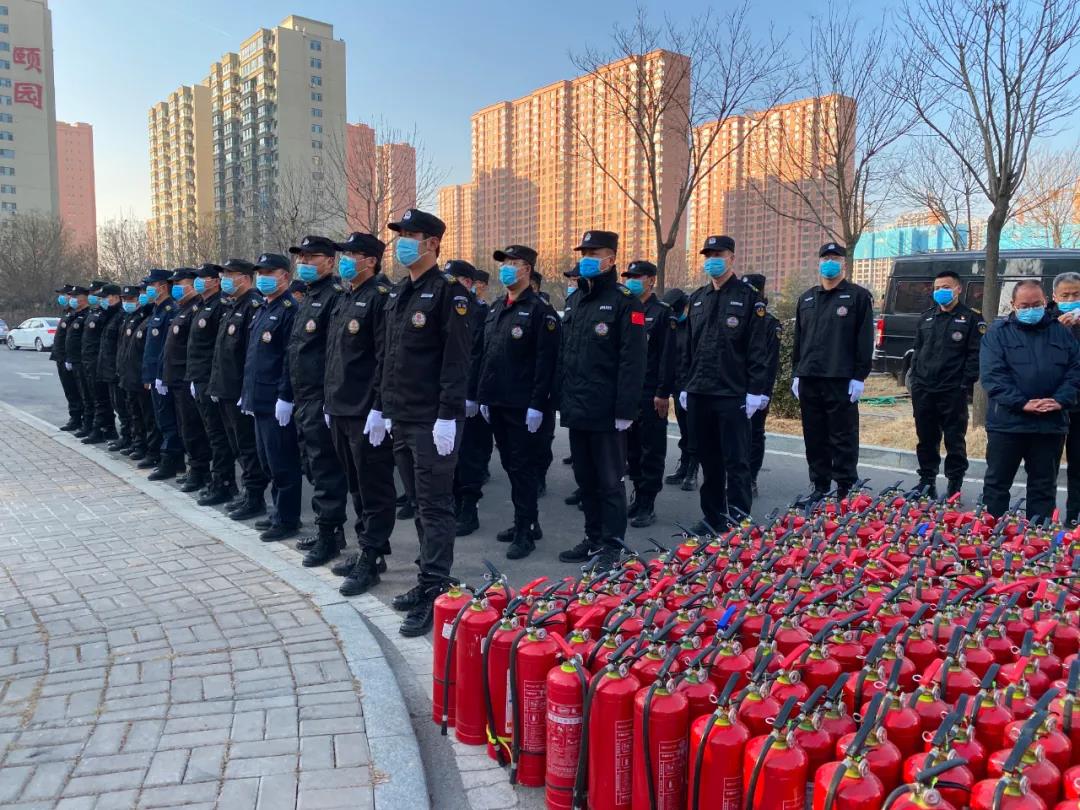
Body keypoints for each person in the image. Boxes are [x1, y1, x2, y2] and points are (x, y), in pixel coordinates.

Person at [371, 208, 471, 636]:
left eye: (411, 235)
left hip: (432, 421)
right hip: (402, 416)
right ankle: (427, 575)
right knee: (417, 503)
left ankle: (436, 588)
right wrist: (380, 407)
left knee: (435, 506)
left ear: (432, 243)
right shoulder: (399, 293)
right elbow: (388, 357)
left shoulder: (450, 294)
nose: (402, 242)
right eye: (401, 235)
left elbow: (456, 362)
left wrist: (447, 416)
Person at [556, 230, 646, 568]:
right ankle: (593, 538)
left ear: (611, 259)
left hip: (607, 410)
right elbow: (566, 354)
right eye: (584, 253)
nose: (587, 259)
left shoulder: (625, 301)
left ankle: (612, 545)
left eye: (594, 253)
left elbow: (633, 360)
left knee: (610, 482)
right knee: (586, 480)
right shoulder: (575, 300)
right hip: (577, 407)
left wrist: (625, 409)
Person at [475, 244, 560, 559]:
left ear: (527, 269)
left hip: (523, 406)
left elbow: (546, 362)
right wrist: (483, 396)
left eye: (513, 262)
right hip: (497, 400)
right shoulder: (498, 307)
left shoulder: (540, 311)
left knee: (523, 468)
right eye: (504, 263)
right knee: (511, 465)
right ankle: (527, 520)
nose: (506, 268)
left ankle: (525, 531)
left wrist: (538, 404)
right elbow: (489, 354)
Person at [324, 232, 396, 595]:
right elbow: (335, 356)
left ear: (370, 260)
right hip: (340, 406)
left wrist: (379, 408)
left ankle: (372, 555)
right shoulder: (345, 297)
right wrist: (328, 401)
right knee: (355, 484)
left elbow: (386, 358)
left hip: (365, 410)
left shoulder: (381, 298)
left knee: (374, 486)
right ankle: (366, 547)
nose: (345, 260)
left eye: (352, 254)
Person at [679, 236, 768, 531]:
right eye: (708, 255)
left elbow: (757, 349)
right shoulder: (698, 298)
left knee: (737, 461)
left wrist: (755, 391)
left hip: (732, 393)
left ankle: (738, 520)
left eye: (718, 254)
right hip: (700, 391)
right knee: (709, 460)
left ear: (732, 258)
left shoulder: (749, 298)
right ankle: (713, 517)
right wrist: (685, 384)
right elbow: (688, 347)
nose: (712, 260)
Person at [980, 278, 1080, 521]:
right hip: (1007, 423)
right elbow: (993, 376)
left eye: (1036, 304)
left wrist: (1060, 400)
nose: (1031, 310)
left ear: (1045, 302)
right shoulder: (998, 333)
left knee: (1043, 488)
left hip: (1049, 423)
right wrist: (1021, 403)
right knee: (997, 484)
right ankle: (991, 534)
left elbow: (1075, 371)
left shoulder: (1062, 332)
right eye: (1024, 306)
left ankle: (1037, 537)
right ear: (1013, 304)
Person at [282, 235, 348, 566]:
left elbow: (334, 354)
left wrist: (327, 399)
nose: (304, 263)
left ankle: (330, 535)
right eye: (302, 258)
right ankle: (327, 528)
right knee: (311, 464)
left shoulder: (334, 297)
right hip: (303, 395)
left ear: (330, 262)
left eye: (312, 258)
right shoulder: (309, 296)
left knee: (326, 468)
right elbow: (297, 349)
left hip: (320, 397)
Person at [791, 243, 874, 501]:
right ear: (819, 263)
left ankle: (845, 487)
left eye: (834, 258)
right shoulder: (807, 298)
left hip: (840, 378)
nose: (829, 262)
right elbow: (799, 340)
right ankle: (819, 486)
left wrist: (859, 376)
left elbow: (865, 339)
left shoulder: (858, 297)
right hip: (810, 377)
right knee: (814, 436)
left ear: (844, 264)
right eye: (825, 258)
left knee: (843, 436)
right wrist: (796, 373)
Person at [241, 253, 302, 541]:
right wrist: (246, 394)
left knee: (282, 463)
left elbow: (290, 358)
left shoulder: (290, 310)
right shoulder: (264, 309)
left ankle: (288, 519)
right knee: (268, 461)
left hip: (276, 400)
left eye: (269, 272)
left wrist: (285, 396)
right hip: (259, 398)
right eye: (260, 272)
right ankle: (278, 511)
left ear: (285, 276)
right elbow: (255, 357)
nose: (263, 277)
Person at [909, 270, 984, 499]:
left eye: (946, 287)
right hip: (924, 388)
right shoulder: (926, 317)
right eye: (937, 288)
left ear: (958, 289)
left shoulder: (971, 319)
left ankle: (954, 485)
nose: (941, 291)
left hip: (952, 390)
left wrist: (964, 384)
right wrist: (914, 380)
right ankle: (926, 482)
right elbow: (918, 350)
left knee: (954, 439)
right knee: (926, 438)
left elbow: (975, 355)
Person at [210, 259, 270, 521]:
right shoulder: (232, 305)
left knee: (247, 447)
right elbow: (222, 351)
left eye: (230, 275)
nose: (225, 280)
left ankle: (255, 497)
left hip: (239, 392)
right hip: (225, 388)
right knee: (236, 446)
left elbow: (250, 355)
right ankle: (247, 493)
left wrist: (246, 392)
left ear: (245, 278)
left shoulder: (252, 306)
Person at [621, 260, 671, 528]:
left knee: (651, 449)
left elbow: (667, 357)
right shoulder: (626, 309)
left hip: (651, 393)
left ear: (651, 280)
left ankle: (648, 503)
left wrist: (663, 392)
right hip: (629, 392)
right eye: (629, 276)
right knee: (632, 450)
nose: (631, 281)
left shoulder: (661, 313)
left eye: (637, 277)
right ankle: (638, 496)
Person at [185, 263, 235, 506]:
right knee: (210, 432)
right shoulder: (202, 306)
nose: (198, 281)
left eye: (203, 277)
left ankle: (223, 483)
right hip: (199, 378)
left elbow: (218, 349)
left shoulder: (220, 306)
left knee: (218, 436)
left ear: (216, 281)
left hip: (210, 379)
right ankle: (218, 480)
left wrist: (211, 380)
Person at [162, 268, 212, 493]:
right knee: (185, 428)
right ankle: (195, 469)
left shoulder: (195, 308)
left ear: (192, 284)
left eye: (179, 283)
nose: (175, 287)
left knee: (193, 429)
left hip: (187, 377)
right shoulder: (183, 308)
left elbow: (198, 348)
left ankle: (201, 471)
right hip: (177, 377)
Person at [454, 259, 494, 537]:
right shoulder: (445, 309)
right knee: (450, 457)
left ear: (468, 283)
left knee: (470, 456)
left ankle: (469, 509)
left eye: (454, 280)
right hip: (447, 396)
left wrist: (472, 395)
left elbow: (480, 355)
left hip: (471, 397)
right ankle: (454, 504)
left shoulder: (480, 313)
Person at [141, 268, 185, 481]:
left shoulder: (171, 310)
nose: (148, 289)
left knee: (168, 422)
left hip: (164, 376)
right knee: (161, 419)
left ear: (162, 286)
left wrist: (160, 375)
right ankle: (175, 461)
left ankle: (170, 462)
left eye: (151, 285)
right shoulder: (156, 310)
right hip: (154, 376)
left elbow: (167, 349)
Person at [742, 273, 782, 498]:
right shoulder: (738, 316)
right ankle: (735, 476)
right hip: (734, 387)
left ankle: (751, 478)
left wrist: (764, 392)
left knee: (755, 434)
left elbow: (771, 361)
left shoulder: (769, 322)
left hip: (757, 389)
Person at [658, 287, 697, 491]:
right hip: (675, 385)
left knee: (694, 429)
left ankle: (692, 470)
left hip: (691, 387)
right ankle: (684, 465)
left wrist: (690, 386)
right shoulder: (670, 326)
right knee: (684, 429)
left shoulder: (693, 325)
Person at [117, 285, 158, 464]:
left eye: (140, 295)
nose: (128, 302)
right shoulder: (132, 318)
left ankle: (151, 450)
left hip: (142, 377)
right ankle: (138, 444)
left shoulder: (149, 317)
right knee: (135, 413)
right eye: (125, 300)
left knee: (148, 417)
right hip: (129, 375)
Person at [1053, 271, 1080, 525]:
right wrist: (1057, 331)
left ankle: (1074, 518)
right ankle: (1042, 520)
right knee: (1046, 467)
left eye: (1076, 295)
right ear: (1055, 297)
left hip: (1078, 406)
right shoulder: (1045, 322)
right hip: (1053, 405)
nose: (1071, 300)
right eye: (1066, 295)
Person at [80, 279, 118, 445]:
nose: (99, 299)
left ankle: (100, 429)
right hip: (92, 360)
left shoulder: (111, 314)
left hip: (100, 361)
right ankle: (106, 429)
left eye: (102, 296)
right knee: (97, 398)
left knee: (102, 399)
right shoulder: (97, 312)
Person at [93, 283, 128, 451]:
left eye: (105, 297)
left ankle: (128, 437)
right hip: (107, 369)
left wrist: (117, 369)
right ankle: (126, 437)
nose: (102, 301)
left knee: (123, 407)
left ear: (115, 297)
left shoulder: (121, 315)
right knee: (116, 405)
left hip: (116, 370)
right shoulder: (109, 315)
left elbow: (120, 346)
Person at [52, 285, 84, 432]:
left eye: (65, 295)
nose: (63, 297)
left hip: (69, 358)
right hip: (61, 357)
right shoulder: (67, 312)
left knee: (75, 390)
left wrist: (69, 358)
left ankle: (78, 419)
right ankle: (75, 417)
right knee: (69, 391)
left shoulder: (76, 314)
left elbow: (75, 339)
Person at [64, 286, 92, 438]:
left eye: (76, 296)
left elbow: (85, 341)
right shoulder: (74, 314)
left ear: (84, 297)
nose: (72, 299)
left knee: (87, 395)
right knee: (77, 393)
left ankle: (88, 424)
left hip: (82, 360)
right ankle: (80, 421)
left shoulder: (88, 315)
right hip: (74, 360)